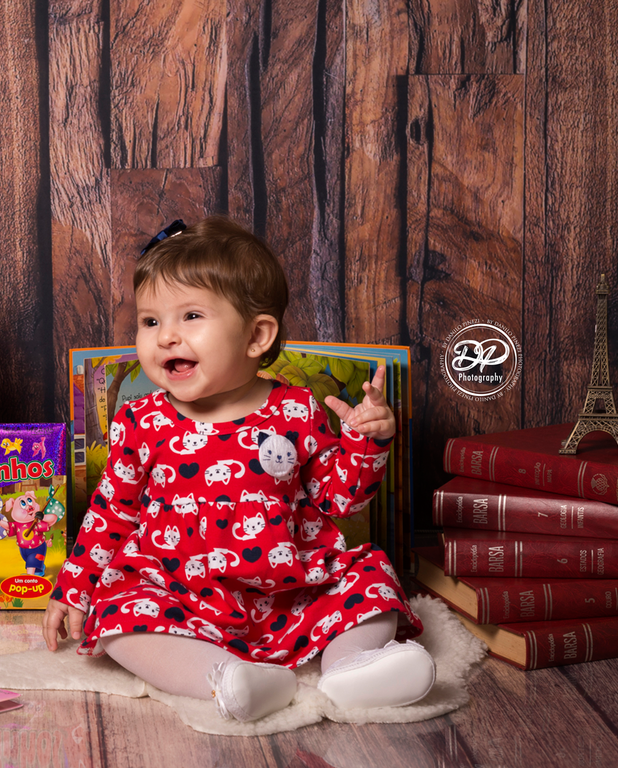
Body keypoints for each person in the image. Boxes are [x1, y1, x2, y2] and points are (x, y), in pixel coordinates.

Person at [44, 216, 434, 722]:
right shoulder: (140, 420)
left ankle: (352, 669)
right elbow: (109, 515)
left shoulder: (295, 409)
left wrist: (366, 441)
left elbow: (341, 499)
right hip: (180, 592)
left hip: (293, 590)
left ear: (256, 336)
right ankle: (222, 678)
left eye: (190, 317)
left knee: (370, 577)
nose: (165, 337)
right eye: (150, 321)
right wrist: (75, 586)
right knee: (118, 611)